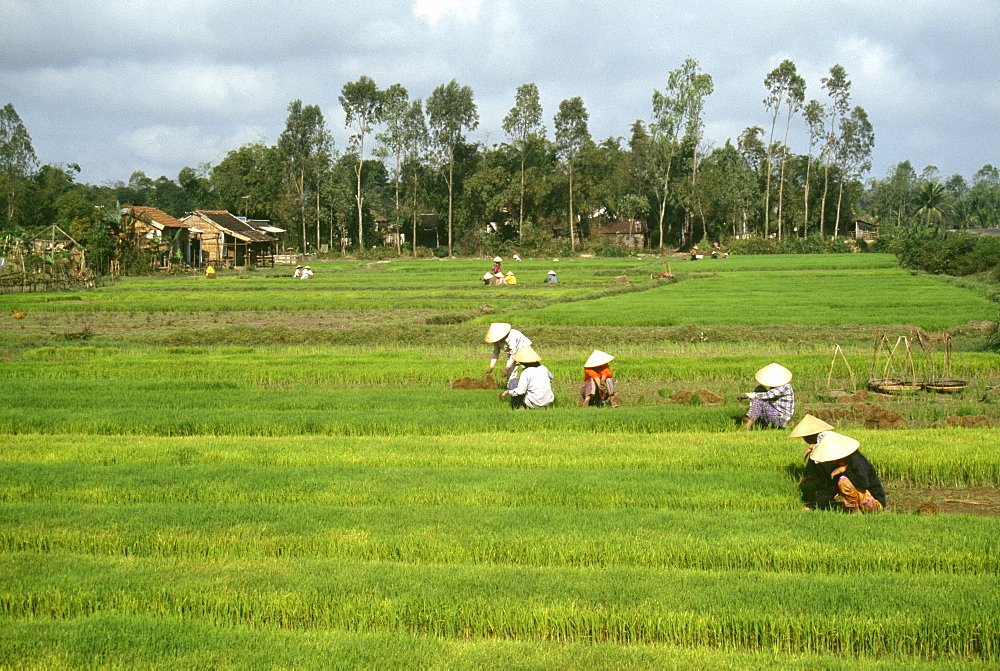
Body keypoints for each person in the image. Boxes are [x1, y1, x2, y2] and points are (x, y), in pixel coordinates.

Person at [790, 415, 886, 513]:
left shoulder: (856, 460)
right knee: (839, 480)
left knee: (843, 481)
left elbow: (864, 483)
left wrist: (845, 470)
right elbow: (831, 487)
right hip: (860, 497)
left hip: (875, 503)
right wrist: (813, 507)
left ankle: (855, 512)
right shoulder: (840, 462)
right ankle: (849, 508)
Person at [737, 363, 795, 429]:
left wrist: (748, 395)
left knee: (758, 401)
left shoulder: (785, 387)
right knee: (759, 389)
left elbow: (768, 395)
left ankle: (748, 424)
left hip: (781, 419)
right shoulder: (774, 387)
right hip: (773, 412)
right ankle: (753, 416)